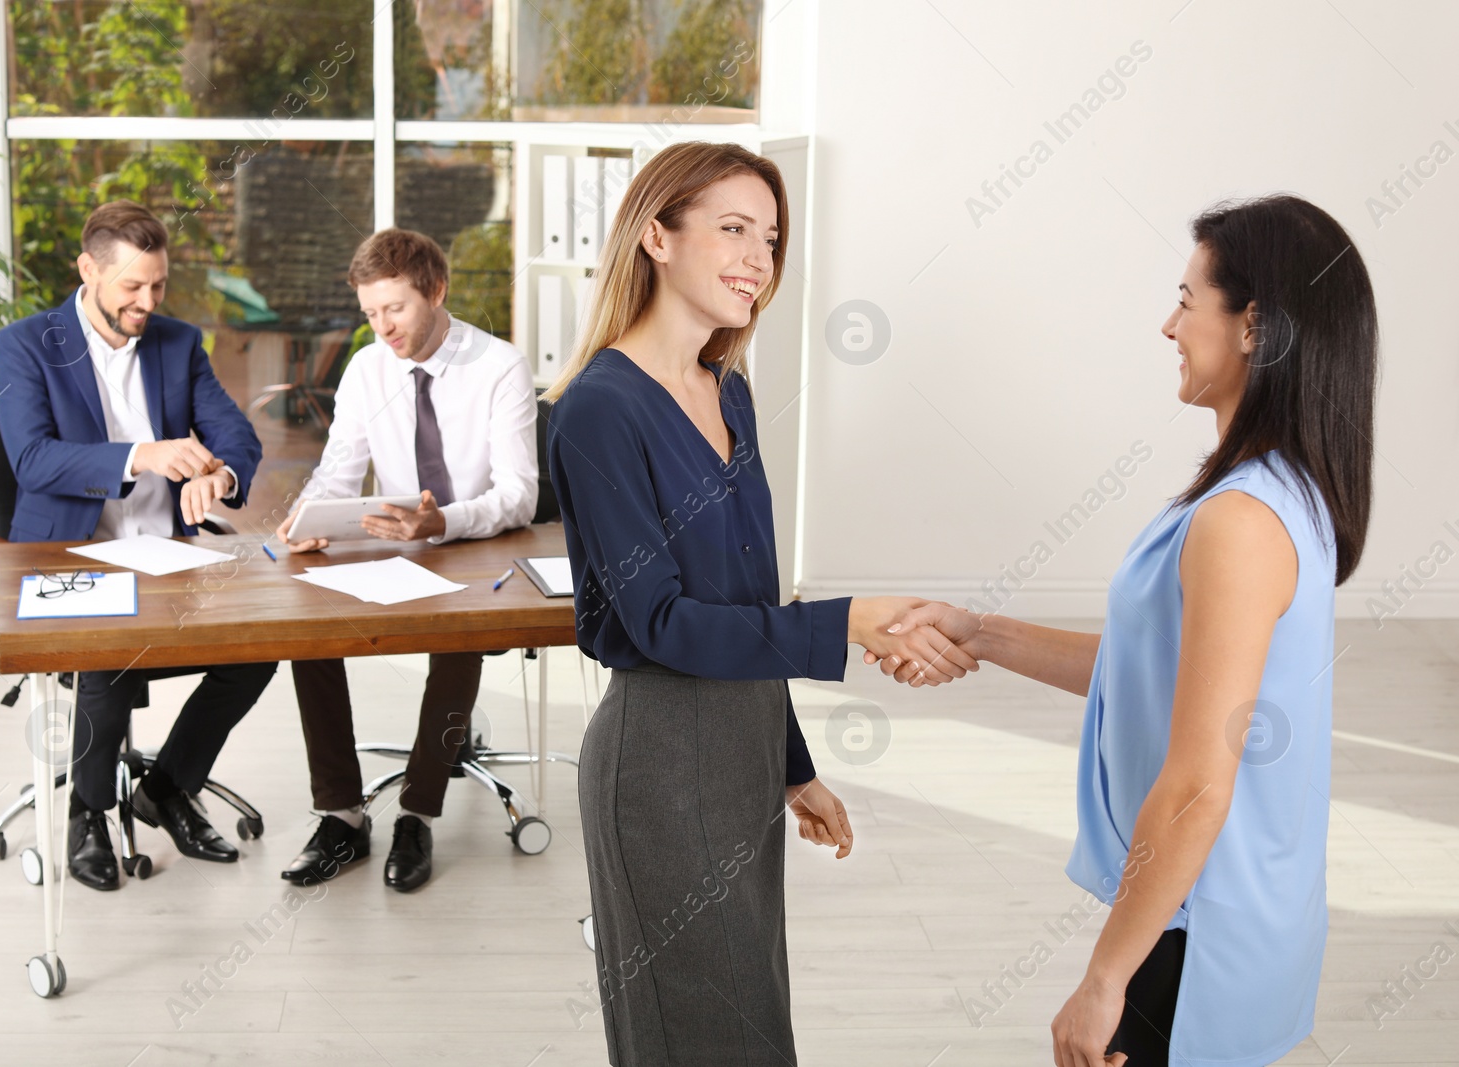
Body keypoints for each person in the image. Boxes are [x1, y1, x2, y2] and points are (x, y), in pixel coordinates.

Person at [870, 195, 1376, 1067]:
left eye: (1187, 298)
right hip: (1235, 913)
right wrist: (981, 632)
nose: (1168, 324)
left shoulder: (1240, 521)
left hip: (1200, 933)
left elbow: (1195, 788)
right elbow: (1166, 673)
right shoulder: (1277, 490)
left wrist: (1104, 980)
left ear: (1254, 326)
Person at [543, 141, 976, 1066]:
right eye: (732, 229)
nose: (757, 260)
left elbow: (744, 602)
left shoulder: (727, 392)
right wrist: (848, 621)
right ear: (655, 236)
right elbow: (659, 621)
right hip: (659, 763)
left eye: (770, 239)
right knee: (695, 1036)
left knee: (749, 1027)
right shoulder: (598, 408)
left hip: (740, 754)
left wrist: (788, 760)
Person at [0, 200, 278, 891]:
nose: (147, 302)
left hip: (169, 555)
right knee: (110, 655)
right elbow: (32, 460)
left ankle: (169, 786)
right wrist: (142, 455)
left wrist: (221, 474)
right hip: (70, 557)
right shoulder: (27, 342)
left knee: (261, 647)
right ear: (88, 270)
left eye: (158, 285)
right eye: (131, 286)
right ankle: (89, 810)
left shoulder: (177, 344)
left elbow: (237, 436)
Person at [275, 228, 538, 893]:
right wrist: (307, 518)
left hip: (475, 547)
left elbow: (519, 493)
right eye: (370, 312)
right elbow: (339, 471)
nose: (382, 326)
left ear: (436, 290)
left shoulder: (499, 365)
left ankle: (418, 812)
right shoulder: (367, 368)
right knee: (308, 626)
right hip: (396, 546)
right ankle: (340, 815)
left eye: (394, 308)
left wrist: (444, 520)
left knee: (461, 636)